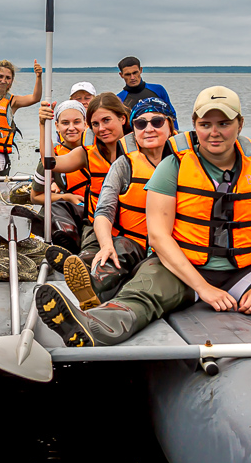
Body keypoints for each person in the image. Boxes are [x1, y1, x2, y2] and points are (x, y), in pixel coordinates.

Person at [32, 85, 251, 382]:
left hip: (244, 271)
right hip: (180, 266)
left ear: (239, 124)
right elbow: (159, 236)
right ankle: (90, 326)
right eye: (206, 124)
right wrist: (202, 287)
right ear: (194, 125)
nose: (214, 132)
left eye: (224, 123)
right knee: (138, 300)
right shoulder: (172, 167)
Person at [61, 98, 176, 309]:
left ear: (170, 125)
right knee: (117, 250)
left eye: (157, 122)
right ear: (133, 130)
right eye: (141, 124)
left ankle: (90, 273)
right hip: (136, 241)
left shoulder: (186, 162)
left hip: (176, 246)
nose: (149, 129)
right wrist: (106, 245)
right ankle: (92, 287)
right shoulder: (123, 165)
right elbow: (104, 210)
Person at [37, 92, 131, 263]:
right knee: (87, 260)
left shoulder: (140, 151)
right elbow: (50, 163)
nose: (101, 128)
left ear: (122, 119)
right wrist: (44, 125)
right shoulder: (87, 154)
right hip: (97, 226)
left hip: (132, 227)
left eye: (106, 120)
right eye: (95, 124)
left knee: (114, 263)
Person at [29, 100, 91, 251]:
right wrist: (67, 197)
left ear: (86, 124)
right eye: (65, 123)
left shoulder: (97, 151)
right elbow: (35, 197)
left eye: (77, 122)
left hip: (92, 212)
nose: (71, 128)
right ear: (56, 126)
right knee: (57, 208)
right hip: (67, 213)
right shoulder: (52, 155)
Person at [115, 56, 178, 129]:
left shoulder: (158, 90)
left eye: (135, 73)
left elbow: (172, 115)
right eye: (128, 74)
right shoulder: (119, 99)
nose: (132, 77)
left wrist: (175, 135)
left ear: (141, 70)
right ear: (121, 75)